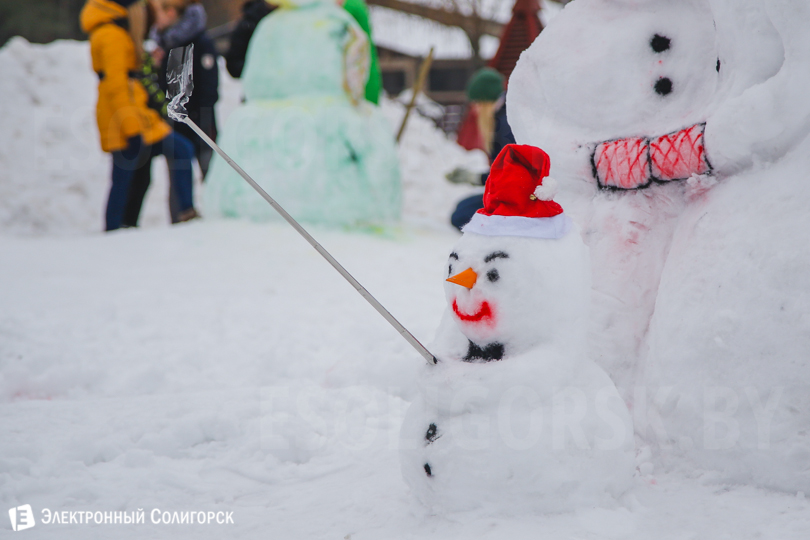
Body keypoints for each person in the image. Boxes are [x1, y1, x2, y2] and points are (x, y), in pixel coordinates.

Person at [81, 0, 198, 231]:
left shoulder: (116, 32)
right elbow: (116, 87)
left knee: (134, 174)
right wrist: (132, 128)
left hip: (135, 114)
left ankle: (124, 225)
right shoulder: (111, 35)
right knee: (124, 177)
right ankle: (115, 228)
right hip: (124, 118)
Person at [446, 68, 515, 230]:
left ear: (486, 101)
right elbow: (501, 171)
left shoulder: (505, 126)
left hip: (516, 197)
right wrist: (476, 177)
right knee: (462, 207)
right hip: (507, 192)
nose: (475, 109)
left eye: (477, 103)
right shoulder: (502, 116)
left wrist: (477, 178)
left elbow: (511, 176)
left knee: (461, 216)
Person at [225, 0, 276, 79]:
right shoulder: (249, 23)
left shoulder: (292, 16)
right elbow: (234, 65)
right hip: (263, 82)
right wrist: (261, 68)